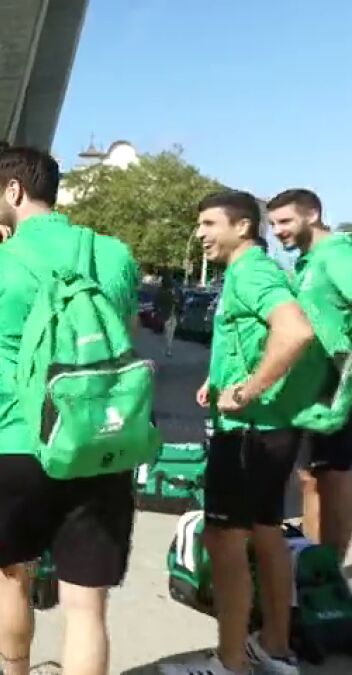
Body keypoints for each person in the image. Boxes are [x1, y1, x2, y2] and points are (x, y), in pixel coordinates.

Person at [0, 147, 141, 675]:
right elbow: (125, 333)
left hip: (19, 441)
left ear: (14, 190)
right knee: (86, 607)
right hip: (97, 441)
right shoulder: (112, 253)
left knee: (11, 580)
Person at [161, 190, 315, 675]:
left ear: (243, 226)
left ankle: (230, 662)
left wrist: (249, 389)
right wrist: (217, 379)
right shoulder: (247, 272)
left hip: (249, 432)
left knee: (224, 542)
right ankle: (274, 647)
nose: (201, 234)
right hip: (270, 428)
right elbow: (252, 339)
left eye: (209, 224)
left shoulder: (251, 272)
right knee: (267, 535)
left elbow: (295, 331)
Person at [268, 188, 352, 556]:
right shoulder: (306, 262)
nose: (277, 231)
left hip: (339, 383)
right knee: (310, 478)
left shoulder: (337, 254)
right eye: (272, 224)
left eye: (285, 221)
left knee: (334, 477)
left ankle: (330, 573)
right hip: (312, 389)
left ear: (313, 214)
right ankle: (312, 561)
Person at [155, 273, 182, 357]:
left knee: (169, 333)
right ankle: (168, 349)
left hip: (171, 315)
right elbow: (159, 303)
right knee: (169, 333)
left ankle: (168, 348)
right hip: (169, 314)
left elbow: (179, 302)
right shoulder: (165, 293)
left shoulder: (165, 292)